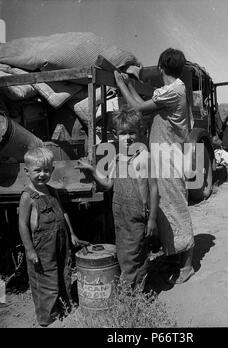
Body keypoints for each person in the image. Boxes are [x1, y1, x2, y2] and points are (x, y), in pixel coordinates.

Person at [114, 48, 195, 284]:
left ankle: (187, 265)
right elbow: (142, 103)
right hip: (163, 156)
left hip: (169, 157)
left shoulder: (172, 90)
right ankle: (174, 257)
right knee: (164, 208)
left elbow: (138, 108)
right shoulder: (172, 90)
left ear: (160, 67)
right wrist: (128, 85)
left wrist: (121, 85)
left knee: (177, 208)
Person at [76, 106, 159, 289]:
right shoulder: (118, 158)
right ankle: (141, 291)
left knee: (129, 256)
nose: (128, 137)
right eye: (123, 133)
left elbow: (154, 189)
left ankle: (128, 298)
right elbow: (108, 184)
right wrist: (92, 170)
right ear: (116, 135)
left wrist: (152, 219)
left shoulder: (145, 157)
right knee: (134, 253)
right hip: (121, 216)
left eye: (132, 132)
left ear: (140, 133)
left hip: (137, 215)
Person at [18, 146, 87, 327]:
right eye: (37, 170)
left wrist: (71, 233)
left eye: (47, 170)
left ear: (52, 170)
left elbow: (63, 213)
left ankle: (64, 305)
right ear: (27, 171)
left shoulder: (53, 191)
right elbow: (22, 225)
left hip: (60, 240)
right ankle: (46, 317)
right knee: (44, 280)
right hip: (41, 246)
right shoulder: (28, 197)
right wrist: (30, 250)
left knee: (63, 272)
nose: (42, 174)